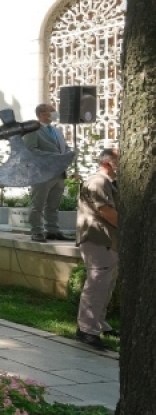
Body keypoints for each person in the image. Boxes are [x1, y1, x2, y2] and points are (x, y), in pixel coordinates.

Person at [74, 148, 120, 349]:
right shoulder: (98, 182)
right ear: (109, 162)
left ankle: (98, 324)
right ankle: (87, 330)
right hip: (97, 239)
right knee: (97, 285)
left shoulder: (108, 183)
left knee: (105, 285)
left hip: (108, 240)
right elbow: (107, 211)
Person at [22, 102, 72, 242]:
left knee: (53, 205)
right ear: (43, 114)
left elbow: (64, 147)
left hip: (59, 173)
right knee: (38, 204)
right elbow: (30, 150)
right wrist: (54, 157)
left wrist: (69, 154)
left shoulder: (57, 131)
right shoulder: (32, 130)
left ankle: (53, 231)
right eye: (52, 111)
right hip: (42, 173)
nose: (55, 113)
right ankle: (36, 231)